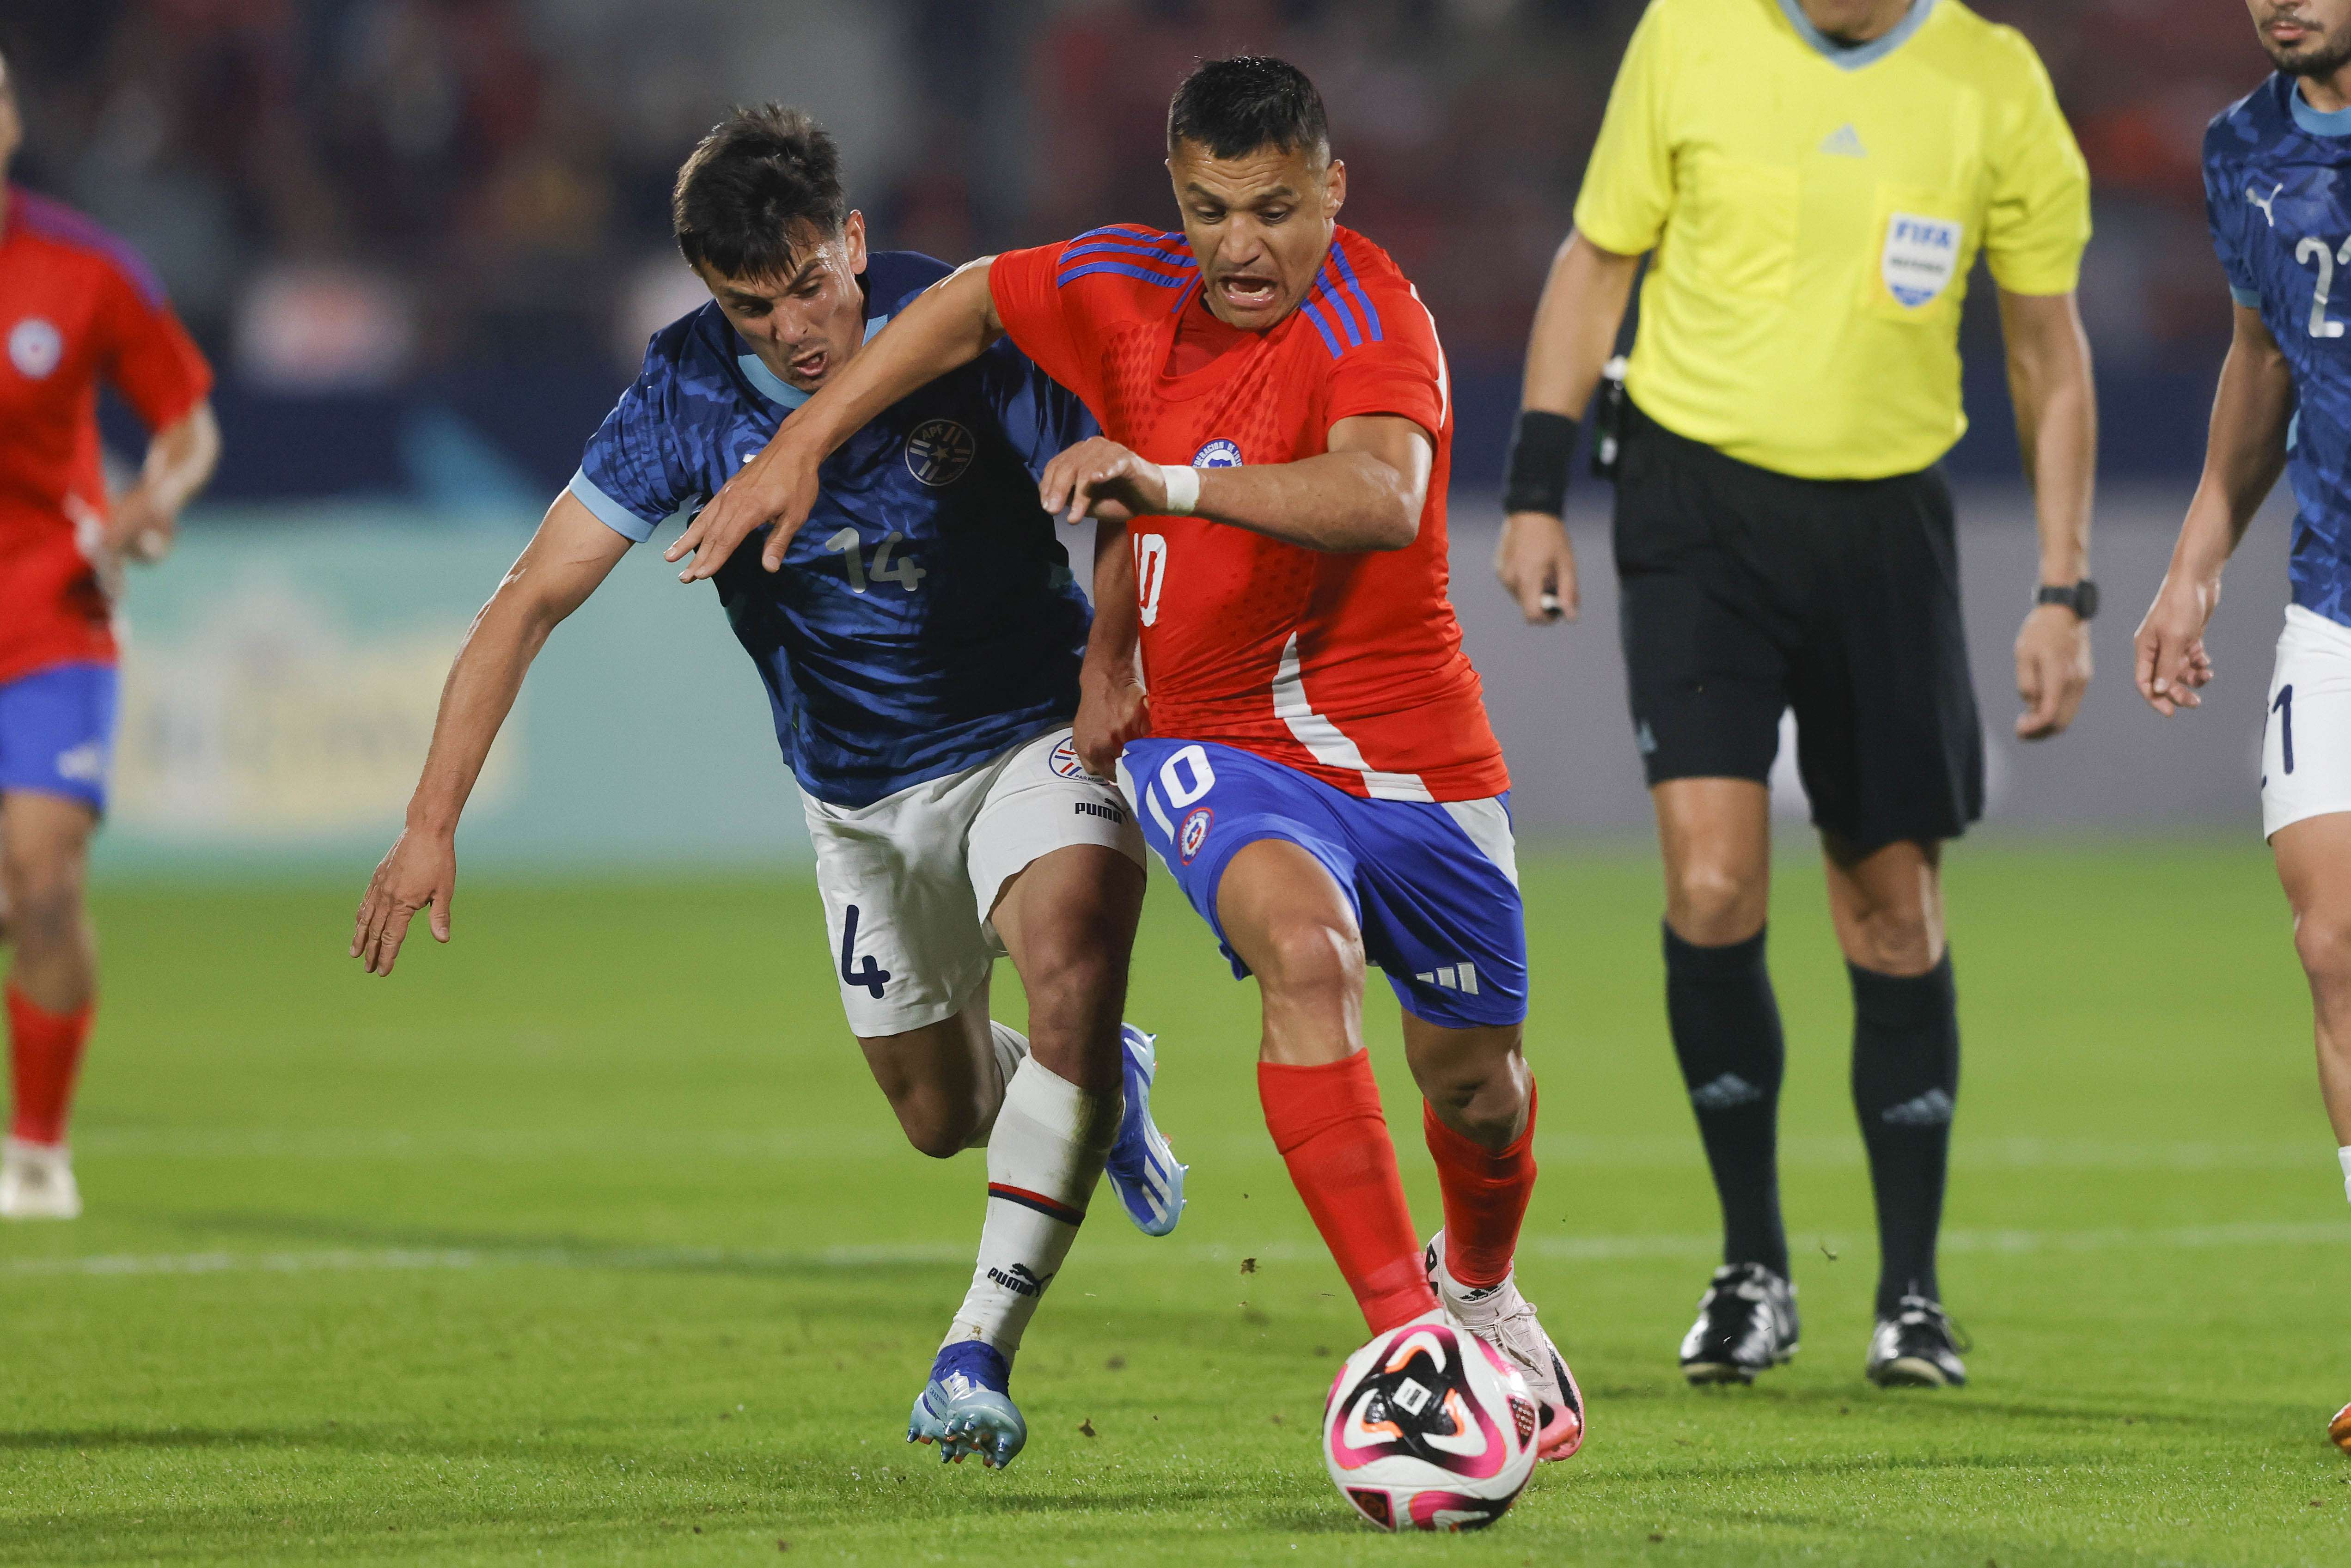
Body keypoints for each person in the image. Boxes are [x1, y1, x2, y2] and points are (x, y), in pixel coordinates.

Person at [673, 57, 1587, 1463]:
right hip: (1210, 736)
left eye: (1275, 209)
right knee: (1307, 957)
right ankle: (1413, 1345)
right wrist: (806, 438)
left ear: (1331, 191)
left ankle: (1481, 1285)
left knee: (1477, 1080)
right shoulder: (1119, 282)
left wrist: (1166, 486)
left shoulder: (1376, 311)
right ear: (1178, 193)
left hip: (1408, 742)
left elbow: (1381, 496)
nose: (1241, 246)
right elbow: (970, 298)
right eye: (1212, 209)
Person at [348, 106, 1185, 1470]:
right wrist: (429, 822)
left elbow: (1115, 495)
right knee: (942, 1117)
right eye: (754, 305)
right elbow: (526, 602)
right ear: (711, 300)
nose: (797, 327)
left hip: (1030, 734)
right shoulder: (680, 398)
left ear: (854, 240)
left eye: (812, 283)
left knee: (1075, 956)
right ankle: (1090, 1085)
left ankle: (976, 1349)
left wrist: (1110, 658)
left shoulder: (961, 330)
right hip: (856, 800)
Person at [1496, 0, 2096, 1387]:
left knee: (1891, 905)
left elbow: (2047, 347)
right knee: (1711, 887)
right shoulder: (1691, 34)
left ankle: (1910, 1293)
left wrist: (2065, 585)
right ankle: (1753, 1264)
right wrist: (1535, 491)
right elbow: (1598, 263)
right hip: (1692, 501)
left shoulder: (1991, 82)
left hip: (1885, 524)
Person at [2135, 0, 2351, 1456]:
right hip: (2335, 594)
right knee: (2333, 942)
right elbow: (2262, 354)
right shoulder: (2243, 150)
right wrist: (2197, 558)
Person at [0, 47, 220, 1220]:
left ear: (11, 119)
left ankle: (36, 1154)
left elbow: (188, 422)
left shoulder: (84, 271)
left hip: (53, 613)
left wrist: (155, 503)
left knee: (44, 880)